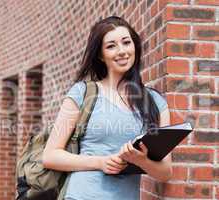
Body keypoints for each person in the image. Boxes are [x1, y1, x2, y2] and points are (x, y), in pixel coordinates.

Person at [43, 16, 173, 200]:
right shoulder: (83, 93)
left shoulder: (155, 101)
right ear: (100, 55)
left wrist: (141, 160)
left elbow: (165, 173)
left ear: (134, 46)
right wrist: (100, 162)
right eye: (111, 46)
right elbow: (50, 156)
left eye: (126, 42)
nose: (122, 51)